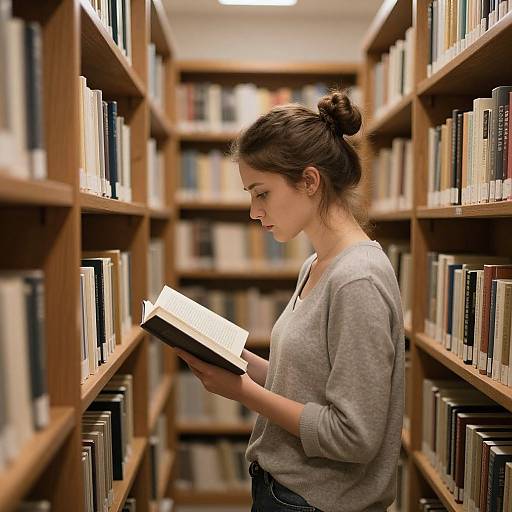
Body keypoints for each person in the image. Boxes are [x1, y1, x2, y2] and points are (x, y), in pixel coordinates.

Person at [174, 90, 405, 512]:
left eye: (261, 193)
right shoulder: (318, 264)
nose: (253, 210)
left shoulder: (357, 280)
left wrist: (242, 391)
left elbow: (353, 435)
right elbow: (308, 383)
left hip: (316, 502)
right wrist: (238, 359)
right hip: (286, 489)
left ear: (310, 181)